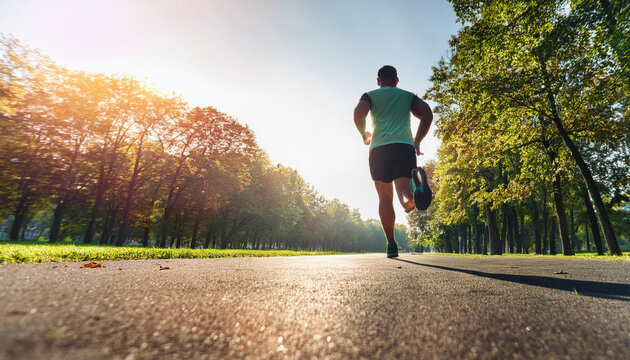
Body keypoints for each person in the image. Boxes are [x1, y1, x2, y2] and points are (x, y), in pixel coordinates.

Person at [353, 65, 433, 258]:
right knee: (406, 201)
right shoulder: (407, 96)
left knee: (384, 198)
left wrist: (364, 134)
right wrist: (417, 141)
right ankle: (415, 188)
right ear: (397, 81)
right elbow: (427, 114)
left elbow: (358, 114)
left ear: (378, 81)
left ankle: (391, 245)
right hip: (403, 148)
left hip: (379, 149)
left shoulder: (370, 95)